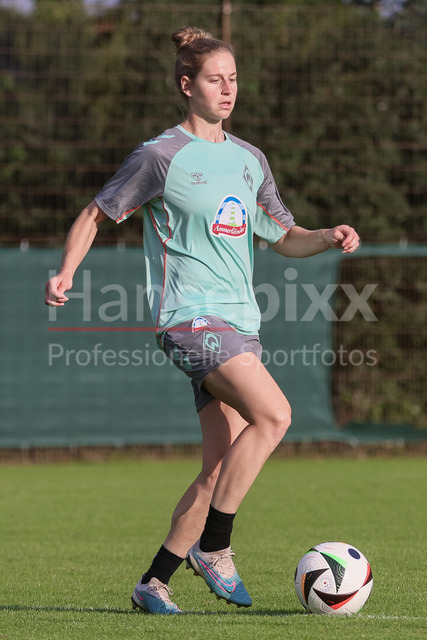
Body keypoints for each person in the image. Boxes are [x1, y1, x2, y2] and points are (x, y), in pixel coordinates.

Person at [45, 26, 360, 615]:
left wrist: (326, 235)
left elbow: (283, 236)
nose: (228, 89)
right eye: (216, 80)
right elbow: (95, 214)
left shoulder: (249, 160)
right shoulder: (159, 156)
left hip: (241, 326)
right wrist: (65, 271)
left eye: (234, 79)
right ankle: (215, 547)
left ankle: (154, 582)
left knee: (221, 467)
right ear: (187, 85)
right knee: (276, 415)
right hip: (189, 320)